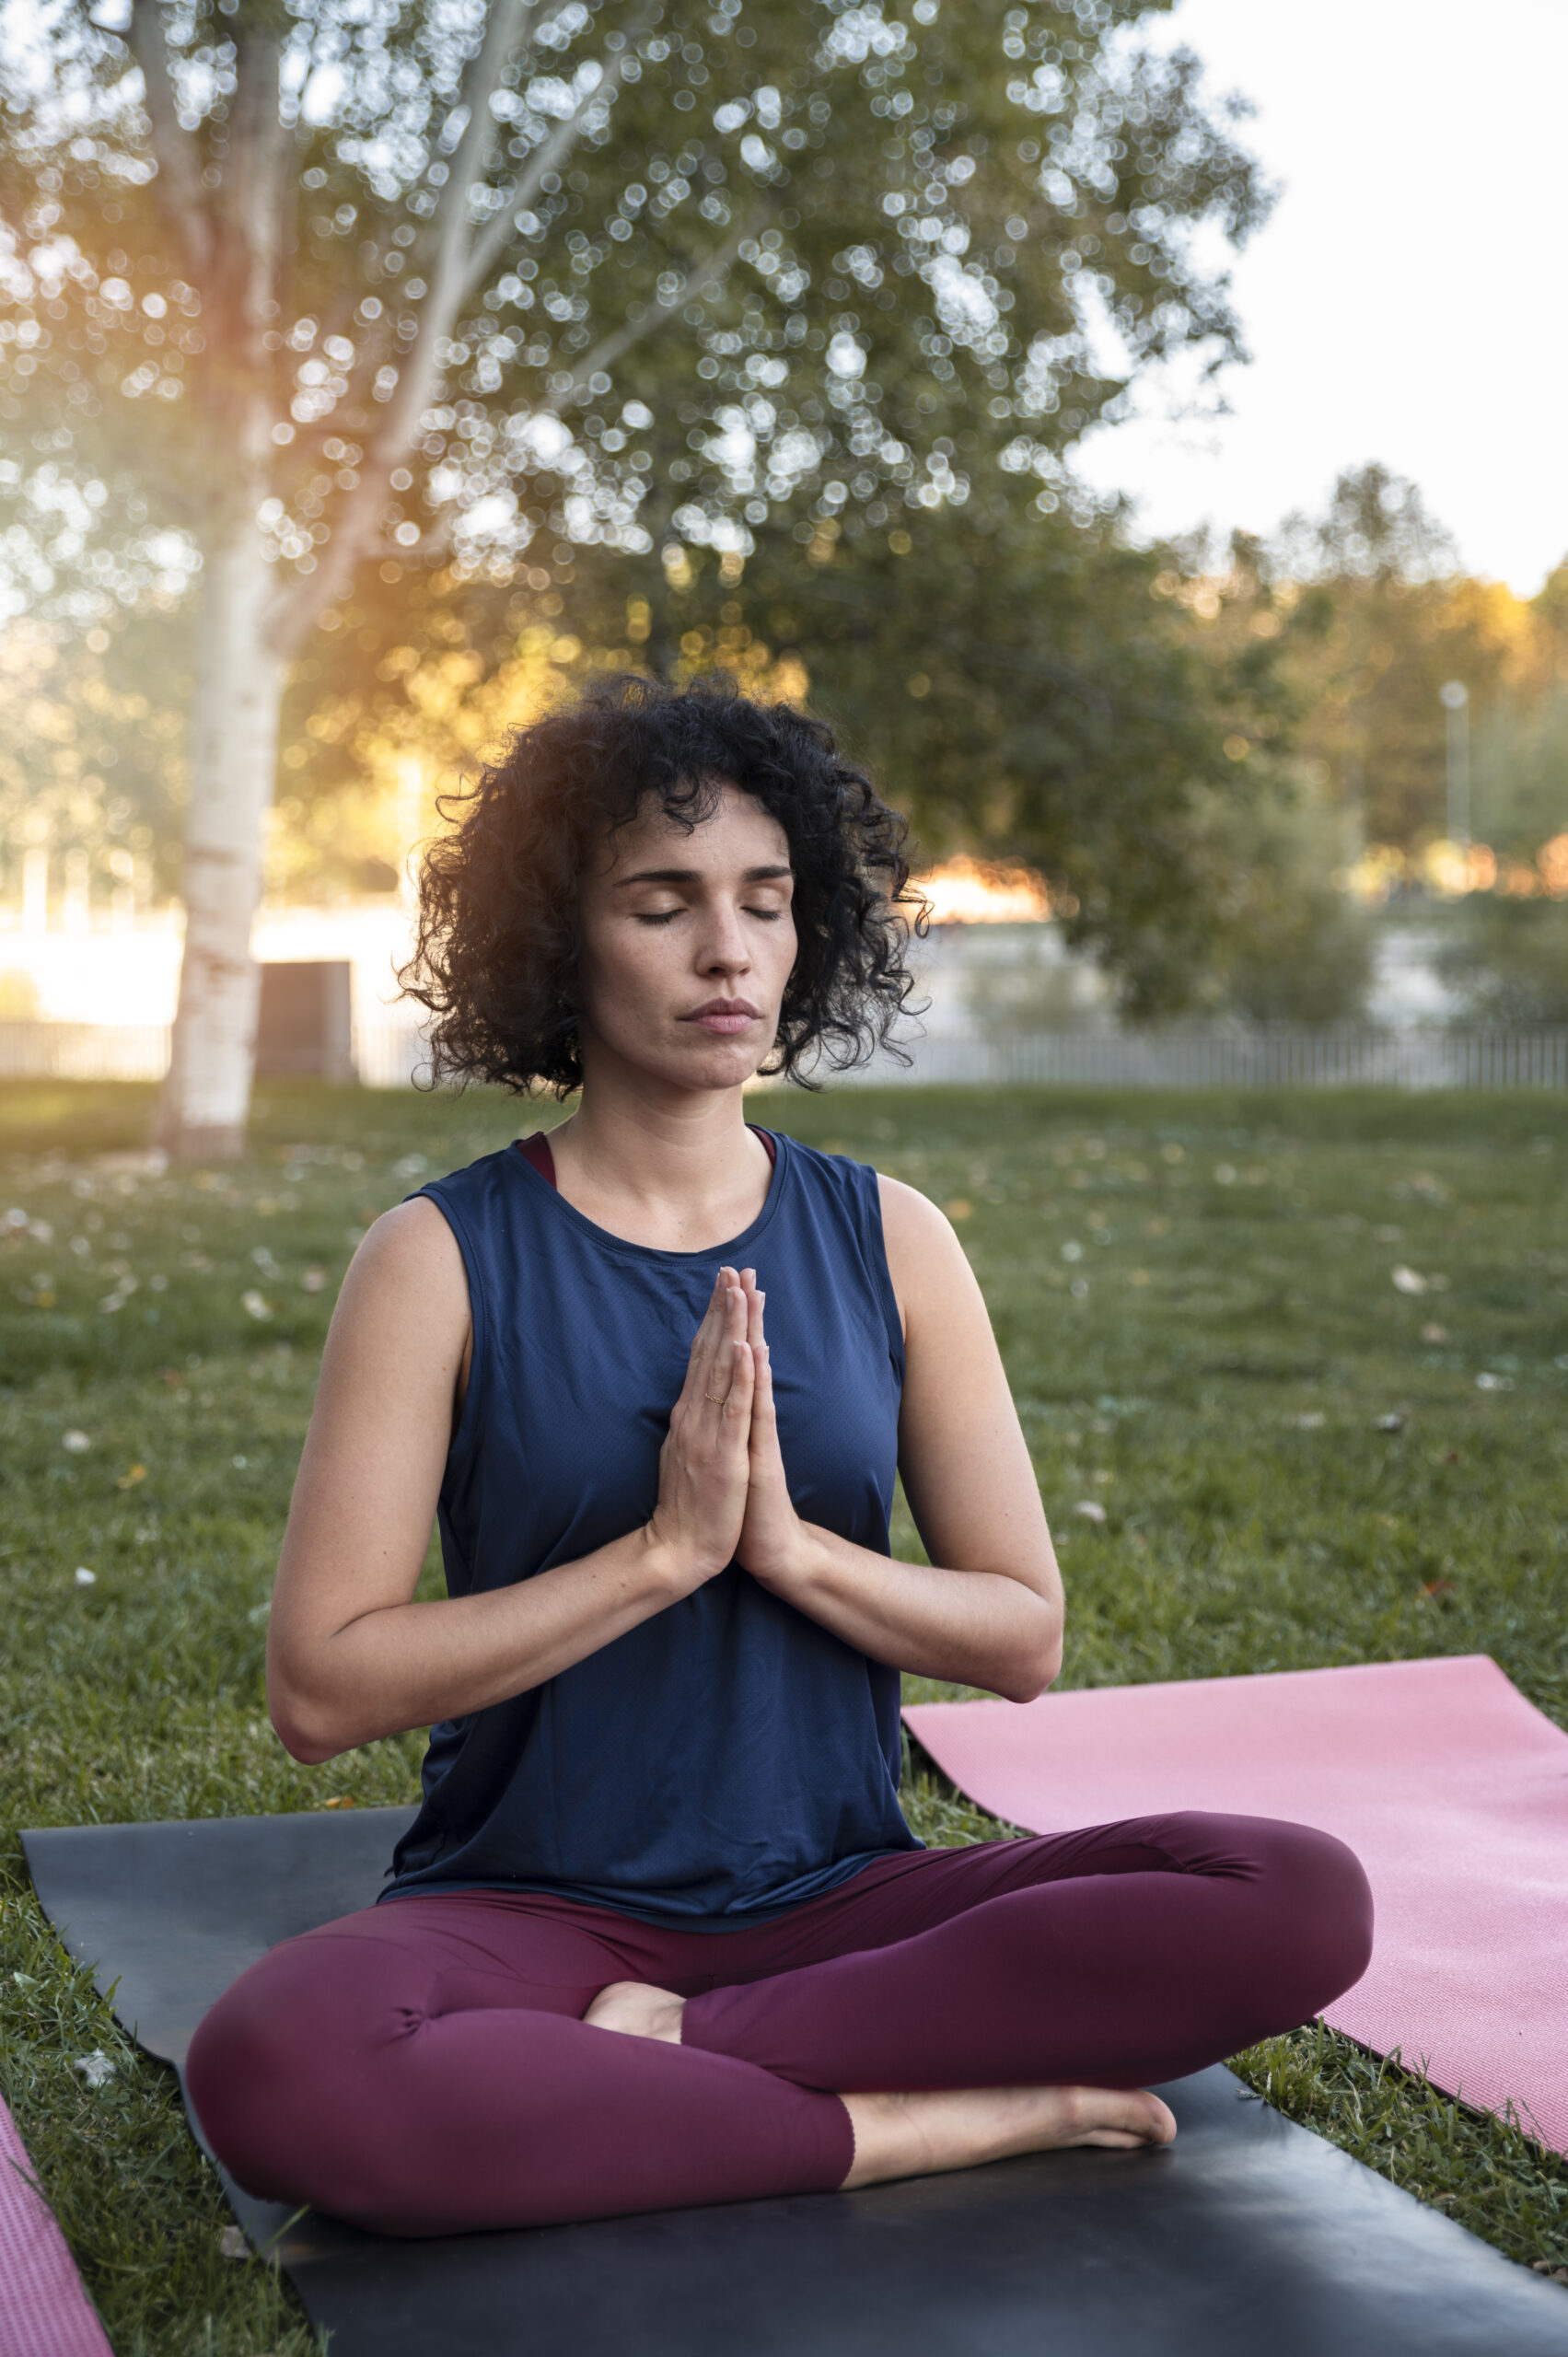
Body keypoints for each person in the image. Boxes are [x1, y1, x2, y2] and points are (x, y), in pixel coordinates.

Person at [186, 677, 1372, 2238]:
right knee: (279, 2068)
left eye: (765, 902)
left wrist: (790, 1551)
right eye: (661, 905)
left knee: (1298, 1894)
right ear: (562, 938)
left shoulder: (893, 1236)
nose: (725, 951)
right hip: (527, 1915)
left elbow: (1022, 1636)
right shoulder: (437, 1256)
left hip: (843, 1911)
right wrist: (660, 1555)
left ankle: (692, 2064)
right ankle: (909, 2126)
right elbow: (319, 1692)